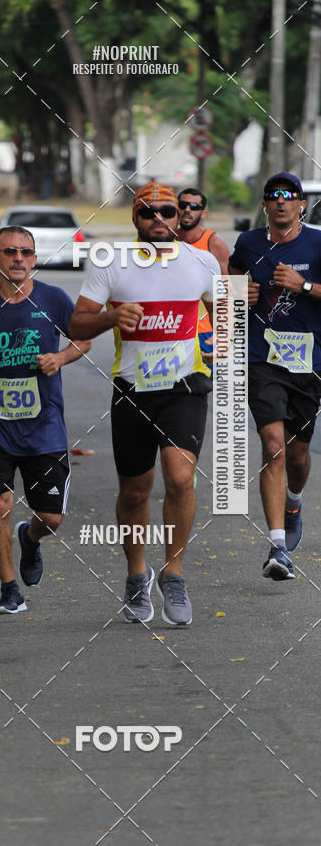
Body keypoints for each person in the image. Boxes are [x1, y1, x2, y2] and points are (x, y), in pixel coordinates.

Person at [68, 182, 219, 626]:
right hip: (133, 389)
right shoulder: (111, 262)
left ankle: (174, 573)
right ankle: (137, 574)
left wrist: (218, 348)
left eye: (167, 212)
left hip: (185, 385)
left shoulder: (202, 261)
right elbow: (77, 324)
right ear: (134, 217)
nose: (159, 219)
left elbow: (226, 312)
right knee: (135, 491)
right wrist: (112, 317)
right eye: (148, 212)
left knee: (180, 476)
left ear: (180, 216)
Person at [0, 226, 91, 614]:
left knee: (51, 516)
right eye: (10, 252)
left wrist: (60, 357)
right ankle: (9, 589)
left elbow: (83, 340)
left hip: (44, 425)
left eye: (26, 252)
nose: (19, 258)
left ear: (34, 258)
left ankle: (30, 538)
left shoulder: (53, 298)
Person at [228, 172, 321, 581]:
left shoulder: (317, 243)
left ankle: (294, 502)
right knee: (273, 447)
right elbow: (229, 281)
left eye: (289, 196)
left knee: (298, 456)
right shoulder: (249, 243)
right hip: (261, 359)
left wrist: (305, 285)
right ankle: (278, 547)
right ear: (265, 205)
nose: (281, 201)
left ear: (301, 205)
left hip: (308, 362)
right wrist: (238, 291)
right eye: (273, 196)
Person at [178, 187, 230, 358]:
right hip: (174, 330)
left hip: (205, 332)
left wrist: (225, 335)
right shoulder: (168, 240)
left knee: (206, 375)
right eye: (183, 205)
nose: (187, 209)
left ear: (203, 213)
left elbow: (230, 293)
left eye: (194, 206)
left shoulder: (214, 244)